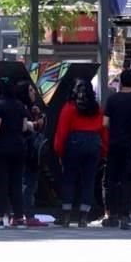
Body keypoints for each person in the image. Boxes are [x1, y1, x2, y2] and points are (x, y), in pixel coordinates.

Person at [53, 79, 107, 228]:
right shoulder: (97, 109)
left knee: (69, 179)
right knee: (88, 181)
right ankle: (84, 217)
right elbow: (104, 131)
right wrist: (103, 150)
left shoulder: (69, 107)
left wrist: (59, 150)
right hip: (93, 144)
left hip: (74, 143)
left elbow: (62, 131)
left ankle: (66, 215)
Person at [0, 79, 37, 227]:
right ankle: (19, 216)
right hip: (19, 148)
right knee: (16, 183)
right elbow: (23, 127)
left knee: (2, 183)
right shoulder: (19, 105)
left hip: (2, 148)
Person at [102, 69, 131, 230]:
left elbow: (105, 123)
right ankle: (126, 215)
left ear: (120, 81)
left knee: (111, 180)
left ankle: (111, 214)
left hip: (114, 144)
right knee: (128, 180)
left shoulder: (113, 99)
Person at [16, 80, 46, 220]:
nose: (34, 93)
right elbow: (25, 126)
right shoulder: (21, 108)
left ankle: (26, 212)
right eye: (31, 90)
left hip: (31, 153)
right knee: (27, 183)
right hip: (26, 152)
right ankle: (26, 213)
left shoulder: (31, 108)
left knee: (30, 183)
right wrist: (34, 123)